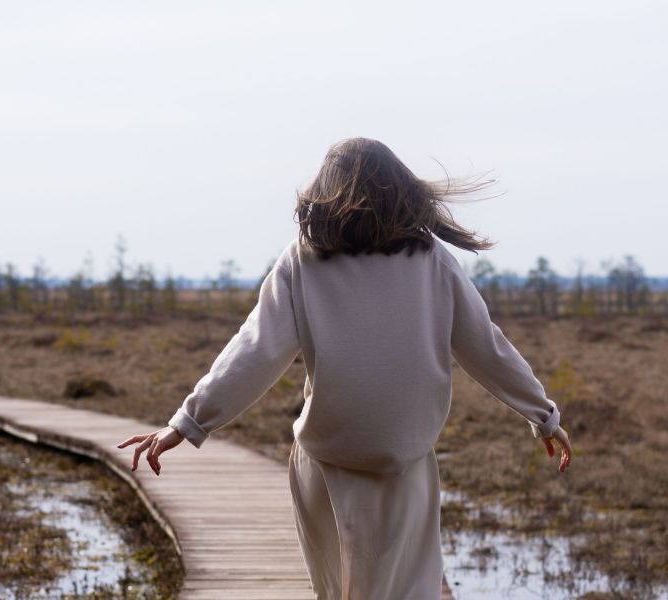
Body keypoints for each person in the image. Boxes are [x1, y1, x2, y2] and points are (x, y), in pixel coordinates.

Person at [117, 137, 572, 599]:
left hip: (325, 464)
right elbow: (486, 347)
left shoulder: (304, 258)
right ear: (400, 190)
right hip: (404, 464)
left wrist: (188, 422)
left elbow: (255, 351)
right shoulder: (431, 260)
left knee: (338, 592)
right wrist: (542, 415)